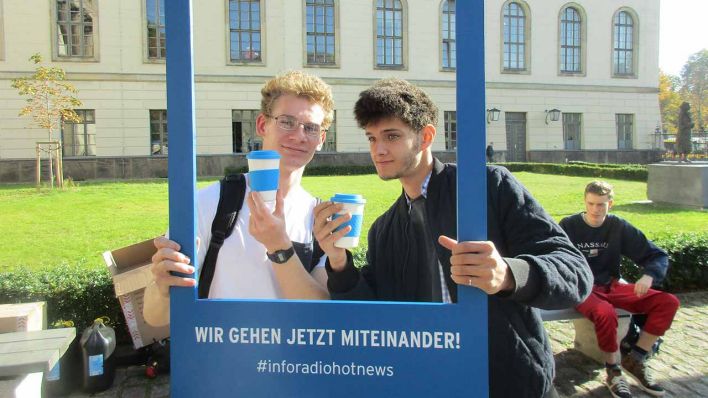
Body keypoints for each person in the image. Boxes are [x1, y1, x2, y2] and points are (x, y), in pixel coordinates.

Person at [313, 78, 593, 398]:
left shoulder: (488, 187)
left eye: (392, 136)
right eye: (372, 137)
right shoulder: (384, 229)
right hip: (430, 382)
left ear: (426, 136)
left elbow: (574, 272)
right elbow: (377, 316)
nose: (378, 149)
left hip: (508, 380)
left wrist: (508, 274)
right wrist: (338, 262)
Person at [144, 71, 334, 327]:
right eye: (286, 122)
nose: (299, 136)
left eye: (311, 128)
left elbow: (321, 316)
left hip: (289, 365)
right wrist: (162, 286)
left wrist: (279, 247)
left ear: (321, 139)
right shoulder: (212, 203)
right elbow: (155, 317)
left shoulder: (318, 219)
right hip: (223, 363)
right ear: (262, 125)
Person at [559, 181, 679, 398]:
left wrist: (649, 275)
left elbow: (657, 255)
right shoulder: (569, 225)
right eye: (591, 204)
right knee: (604, 312)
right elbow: (553, 255)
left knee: (668, 302)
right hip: (582, 287)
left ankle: (637, 358)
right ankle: (614, 372)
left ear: (610, 204)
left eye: (601, 205)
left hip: (611, 285)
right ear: (585, 202)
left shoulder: (618, 226)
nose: (596, 209)